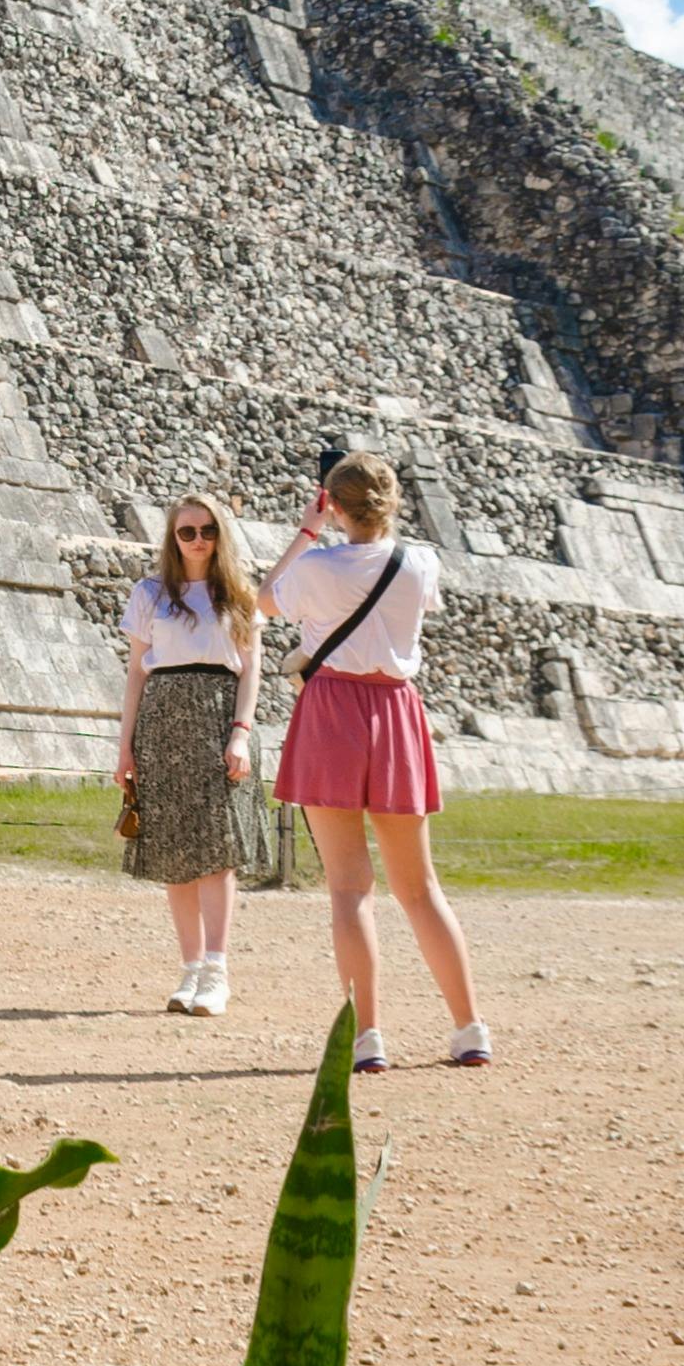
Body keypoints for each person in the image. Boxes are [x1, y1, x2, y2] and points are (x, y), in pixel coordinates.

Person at [265, 451, 492, 1072]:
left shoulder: (316, 566)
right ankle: (469, 1028)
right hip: (395, 711)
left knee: (348, 888)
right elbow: (417, 609)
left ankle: (368, 1038)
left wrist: (309, 530)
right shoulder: (421, 562)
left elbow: (263, 601)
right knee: (419, 888)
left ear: (332, 503)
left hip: (333, 706)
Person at [116, 492, 274, 1016]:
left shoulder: (239, 596)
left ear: (220, 535)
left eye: (208, 530)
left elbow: (251, 670)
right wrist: (126, 747)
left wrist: (241, 733)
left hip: (216, 717)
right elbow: (137, 673)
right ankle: (189, 970)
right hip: (162, 723)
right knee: (175, 856)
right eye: (187, 532)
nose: (198, 540)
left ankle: (217, 969)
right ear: (172, 537)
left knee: (218, 850)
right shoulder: (150, 593)